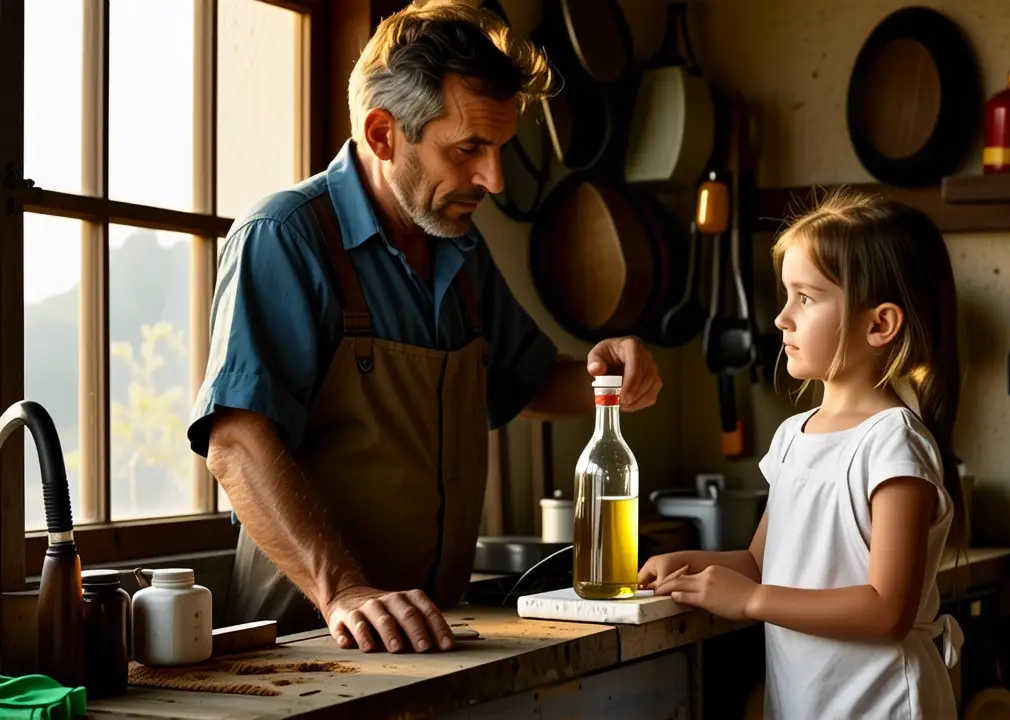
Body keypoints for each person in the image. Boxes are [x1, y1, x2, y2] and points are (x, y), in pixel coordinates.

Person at [187, 1, 662, 656]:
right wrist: (344, 591)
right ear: (383, 134)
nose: (493, 179)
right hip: (306, 644)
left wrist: (605, 378)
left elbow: (520, 383)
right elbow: (235, 442)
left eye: (500, 149)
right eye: (468, 149)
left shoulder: (460, 249)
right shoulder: (286, 236)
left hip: (432, 635)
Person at [639, 189, 966, 719]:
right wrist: (692, 566)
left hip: (882, 706)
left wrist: (750, 602)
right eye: (786, 296)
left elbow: (888, 610)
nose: (781, 319)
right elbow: (759, 563)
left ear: (879, 324)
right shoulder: (792, 436)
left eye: (806, 298)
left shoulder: (893, 445)